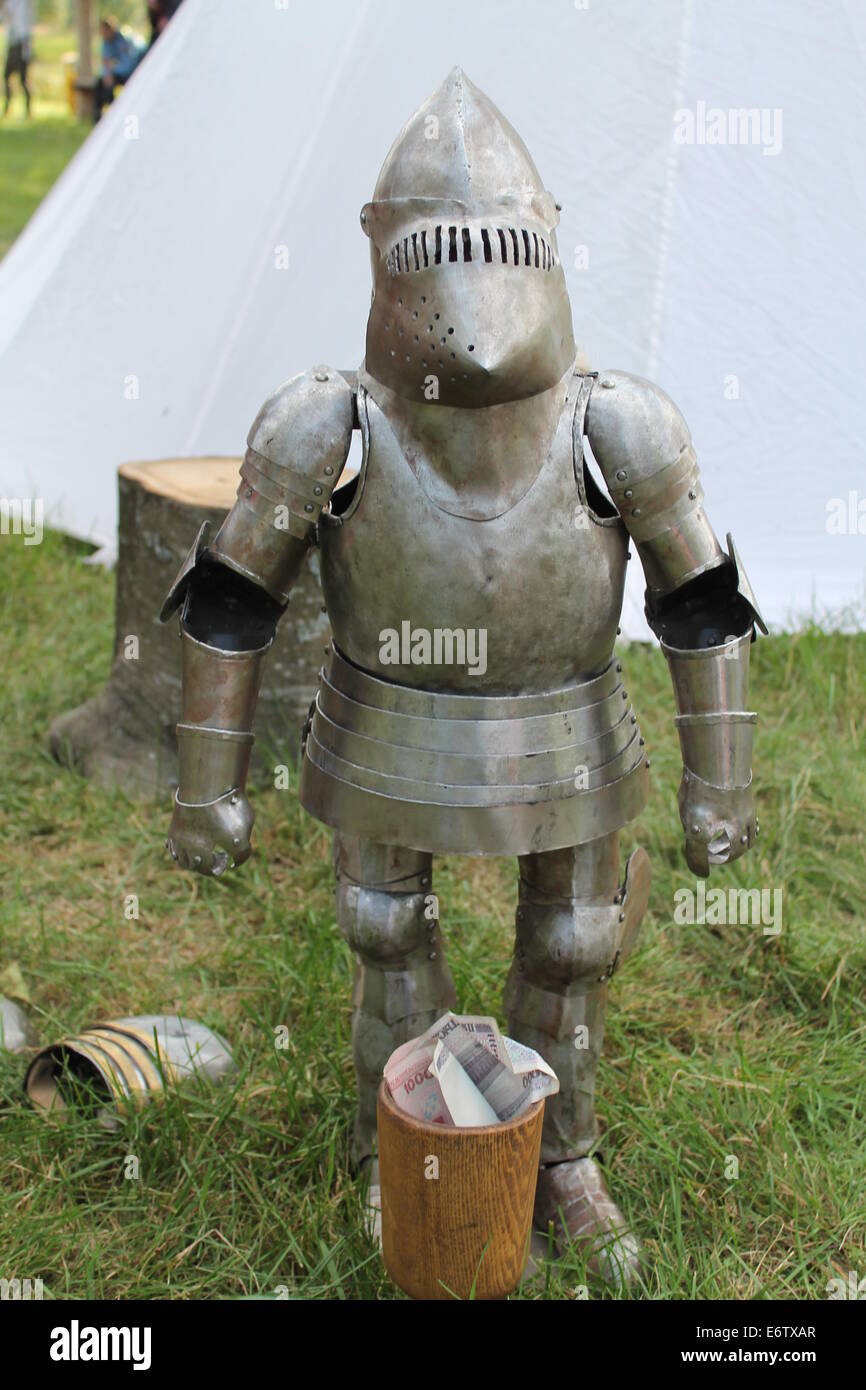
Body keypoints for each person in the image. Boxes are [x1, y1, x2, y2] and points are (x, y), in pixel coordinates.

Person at [160, 68, 764, 1291]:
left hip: (569, 723)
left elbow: (696, 600)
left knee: (576, 938)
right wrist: (201, 783)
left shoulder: (618, 419)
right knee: (388, 930)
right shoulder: (323, 417)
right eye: (440, 249)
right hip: (387, 720)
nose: (468, 289)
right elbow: (235, 594)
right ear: (386, 258)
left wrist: (719, 782)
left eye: (487, 244)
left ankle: (562, 1158)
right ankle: (419, 1141)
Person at [93, 16, 143, 121]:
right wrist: (107, 74)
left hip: (130, 74)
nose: (104, 35)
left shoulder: (125, 40)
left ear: (112, 29)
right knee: (100, 84)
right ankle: (98, 118)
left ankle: (118, 115)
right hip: (115, 73)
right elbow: (106, 62)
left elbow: (128, 64)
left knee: (116, 85)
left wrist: (113, 69)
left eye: (105, 32)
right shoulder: (106, 42)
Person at [2, 0, 33, 119]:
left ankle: (28, 109)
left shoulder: (22, 3)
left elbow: (24, 23)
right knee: (7, 76)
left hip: (21, 42)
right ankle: (7, 107)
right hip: (13, 42)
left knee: (23, 79)